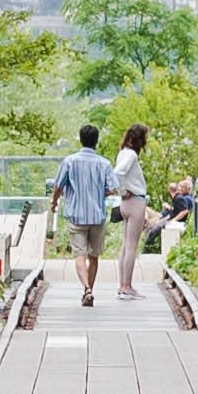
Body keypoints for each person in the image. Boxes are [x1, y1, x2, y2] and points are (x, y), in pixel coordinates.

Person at [49, 120, 117, 288]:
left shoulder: (69, 161)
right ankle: (90, 289)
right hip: (97, 216)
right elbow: (114, 188)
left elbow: (58, 186)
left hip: (76, 215)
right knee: (93, 257)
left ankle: (86, 289)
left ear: (81, 140)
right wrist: (99, 193)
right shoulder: (104, 163)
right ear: (96, 141)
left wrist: (54, 202)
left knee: (79, 255)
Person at [110, 122, 155, 299]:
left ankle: (123, 285)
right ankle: (127, 286)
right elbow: (118, 173)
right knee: (131, 246)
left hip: (126, 202)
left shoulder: (123, 153)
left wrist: (122, 192)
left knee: (125, 245)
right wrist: (124, 190)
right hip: (135, 200)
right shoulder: (131, 156)